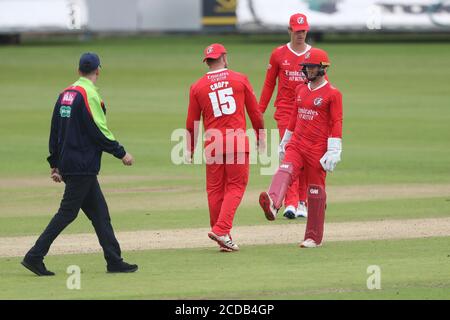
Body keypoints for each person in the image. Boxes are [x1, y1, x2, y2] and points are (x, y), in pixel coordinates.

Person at [21, 53, 138, 276]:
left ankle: (114, 260)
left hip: (71, 163)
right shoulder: (89, 95)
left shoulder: (65, 94)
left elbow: (55, 130)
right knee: (67, 213)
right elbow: (99, 131)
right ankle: (34, 256)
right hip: (82, 164)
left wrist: (55, 163)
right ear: (98, 71)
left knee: (100, 213)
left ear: (78, 71)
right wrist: (121, 153)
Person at [258, 48, 343, 248]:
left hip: (317, 148)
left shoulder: (333, 94)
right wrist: (285, 140)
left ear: (323, 68)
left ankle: (313, 237)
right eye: (306, 67)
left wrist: (334, 150)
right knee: (285, 170)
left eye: (311, 67)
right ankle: (273, 203)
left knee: (315, 190)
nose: (307, 71)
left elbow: (336, 122)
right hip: (297, 143)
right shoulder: (301, 90)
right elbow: (294, 118)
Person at [186, 43, 265, 252]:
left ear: (207, 61)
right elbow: (255, 112)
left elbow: (191, 121)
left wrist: (189, 147)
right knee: (236, 186)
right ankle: (222, 229)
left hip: (212, 144)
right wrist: (260, 135)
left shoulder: (197, 86)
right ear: (225, 58)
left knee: (214, 190)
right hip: (236, 142)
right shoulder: (240, 79)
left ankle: (223, 235)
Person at [258, 13, 314, 220]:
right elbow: (269, 83)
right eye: (297, 31)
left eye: (304, 30)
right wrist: (259, 111)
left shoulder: (314, 55)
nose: (301, 34)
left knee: (306, 158)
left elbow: (321, 87)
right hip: (285, 111)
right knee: (290, 155)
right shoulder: (278, 54)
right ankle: (290, 202)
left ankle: (302, 202)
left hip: (308, 113)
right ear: (290, 30)